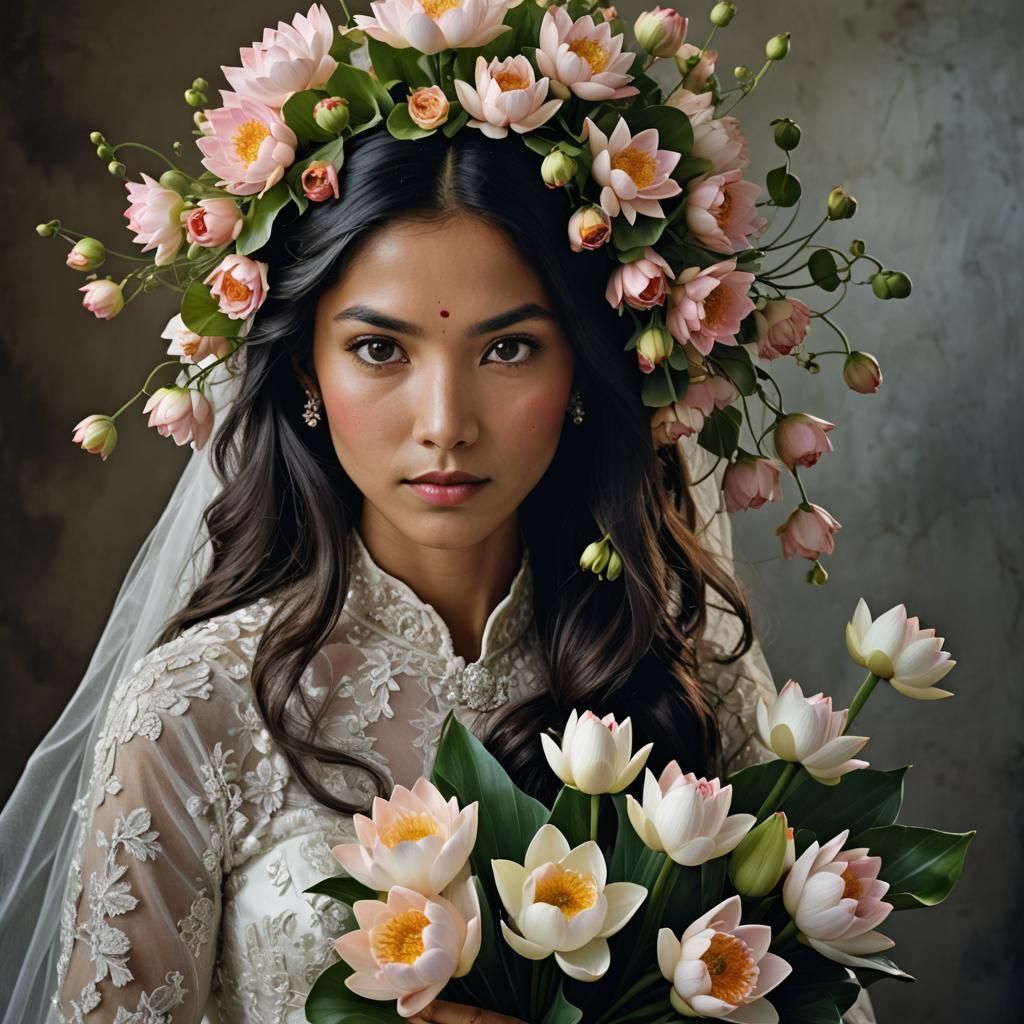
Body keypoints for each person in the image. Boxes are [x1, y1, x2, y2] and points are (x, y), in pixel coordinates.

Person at [1, 122, 874, 1024]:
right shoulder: (193, 712)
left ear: (582, 367)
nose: (446, 422)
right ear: (307, 366)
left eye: (508, 349)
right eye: (381, 349)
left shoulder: (689, 683)